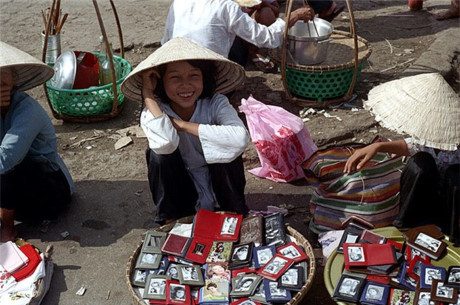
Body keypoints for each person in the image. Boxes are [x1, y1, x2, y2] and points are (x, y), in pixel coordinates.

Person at [121, 38, 250, 225]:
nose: (185, 85)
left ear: (204, 78)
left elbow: (239, 139)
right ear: (161, 82)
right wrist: (147, 94)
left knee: (228, 143)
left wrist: (180, 125)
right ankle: (171, 219)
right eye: (175, 78)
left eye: (194, 76)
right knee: (158, 155)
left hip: (220, 184)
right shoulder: (154, 111)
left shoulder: (216, 103)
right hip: (182, 188)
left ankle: (233, 213)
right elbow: (166, 143)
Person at [343, 73, 460, 244]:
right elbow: (408, 146)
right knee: (419, 163)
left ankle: (455, 236)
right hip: (423, 202)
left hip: (452, 209)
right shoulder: (424, 137)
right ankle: (404, 225)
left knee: (456, 174)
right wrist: (377, 146)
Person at [0, 41, 74, 242]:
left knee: (10, 164)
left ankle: (7, 230)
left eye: (3, 74)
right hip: (18, 190)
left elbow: (5, 159)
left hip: (50, 190)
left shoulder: (28, 110)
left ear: (13, 78)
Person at [161, 0, 315, 72]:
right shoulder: (226, 7)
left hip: (174, 66)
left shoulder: (178, 2)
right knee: (238, 57)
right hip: (207, 74)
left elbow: (165, 43)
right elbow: (267, 38)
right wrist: (292, 17)